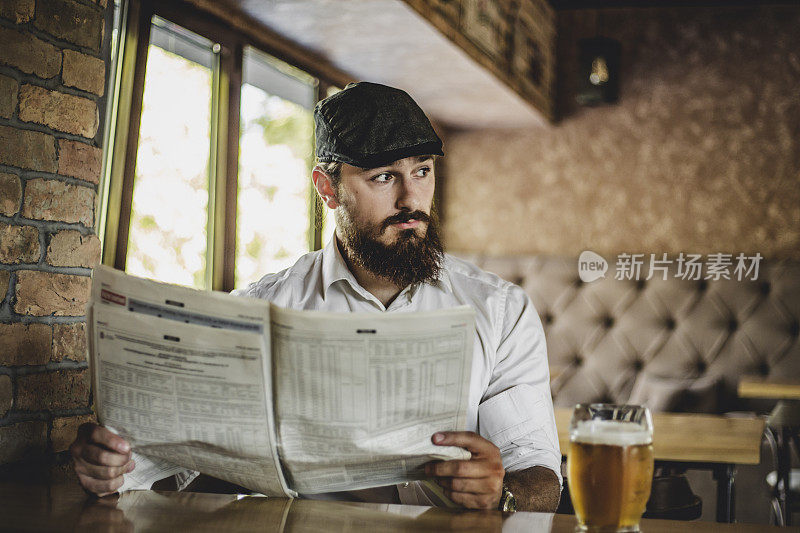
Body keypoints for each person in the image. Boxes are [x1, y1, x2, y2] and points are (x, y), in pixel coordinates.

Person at [69, 82, 562, 511]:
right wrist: (109, 466)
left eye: (423, 171)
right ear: (327, 189)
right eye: (384, 177)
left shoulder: (501, 311)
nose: (412, 200)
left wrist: (502, 493)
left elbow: (540, 477)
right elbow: (156, 463)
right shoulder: (259, 309)